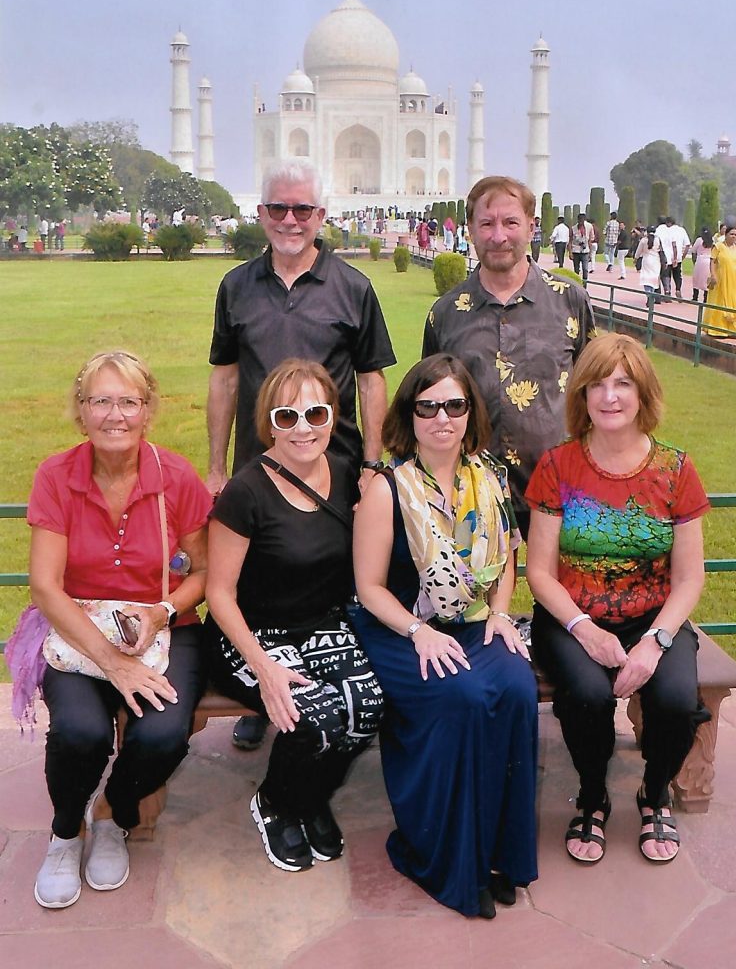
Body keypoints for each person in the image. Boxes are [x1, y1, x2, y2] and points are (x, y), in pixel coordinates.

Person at [206, 157, 395, 751]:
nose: (291, 220)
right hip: (259, 468)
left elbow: (370, 381)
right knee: (258, 579)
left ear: (322, 216)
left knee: (328, 579)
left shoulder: (351, 287)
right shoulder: (237, 286)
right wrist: (216, 465)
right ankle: (263, 688)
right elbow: (225, 380)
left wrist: (369, 461)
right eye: (279, 208)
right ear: (261, 213)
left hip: (332, 466)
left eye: (303, 209)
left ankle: (324, 683)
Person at [23, 351, 211, 908]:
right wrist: (112, 660)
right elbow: (45, 588)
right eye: (99, 401)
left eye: (128, 401)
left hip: (165, 624)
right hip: (77, 628)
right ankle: (64, 832)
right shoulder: (56, 475)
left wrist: (160, 612)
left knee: (163, 733)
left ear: (148, 409)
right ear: (80, 412)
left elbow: (203, 572)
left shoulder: (174, 475)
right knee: (82, 732)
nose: (114, 414)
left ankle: (112, 814)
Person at [353, 354, 537, 919]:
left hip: (478, 622)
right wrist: (419, 632)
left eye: (454, 405)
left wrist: (503, 613)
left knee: (517, 689)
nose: (441, 419)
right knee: (461, 696)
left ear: (469, 412)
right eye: (427, 406)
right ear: (409, 415)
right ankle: (442, 857)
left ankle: (499, 854)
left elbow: (506, 558)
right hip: (400, 628)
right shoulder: (387, 488)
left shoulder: (492, 479)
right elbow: (369, 589)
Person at [525, 333, 710, 866]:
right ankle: (591, 794)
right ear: (581, 395)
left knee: (675, 701)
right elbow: (538, 572)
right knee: (587, 695)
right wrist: (585, 629)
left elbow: (690, 578)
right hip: (571, 617)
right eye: (598, 385)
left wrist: (655, 641)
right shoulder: (558, 467)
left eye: (623, 384)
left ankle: (654, 794)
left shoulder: (675, 470)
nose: (610, 396)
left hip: (655, 619)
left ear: (642, 393)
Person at [204, 359, 382, 872]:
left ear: (333, 416)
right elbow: (219, 593)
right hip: (251, 632)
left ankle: (309, 795)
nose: (302, 427)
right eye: (286, 416)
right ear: (268, 423)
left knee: (367, 705)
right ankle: (275, 802)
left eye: (315, 413)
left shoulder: (349, 475)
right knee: (312, 715)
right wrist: (263, 667)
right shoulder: (246, 491)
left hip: (324, 623)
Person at [422, 175, 595, 540]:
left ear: (532, 227)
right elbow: (427, 406)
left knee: (559, 596)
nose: (498, 236)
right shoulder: (447, 313)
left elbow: (593, 388)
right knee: (472, 597)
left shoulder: (568, 301)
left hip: (558, 487)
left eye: (510, 223)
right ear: (470, 229)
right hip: (469, 490)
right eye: (486, 224)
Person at [703, 224, 736, 338]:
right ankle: (718, 328)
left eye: (735, 235)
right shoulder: (718, 246)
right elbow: (713, 262)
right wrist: (713, 275)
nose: (733, 237)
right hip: (722, 280)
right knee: (721, 301)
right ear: (725, 235)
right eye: (731, 234)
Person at [635, 227, 662, 305]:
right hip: (656, 261)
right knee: (653, 279)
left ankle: (648, 295)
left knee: (646, 279)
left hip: (646, 260)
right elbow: (661, 250)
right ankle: (652, 294)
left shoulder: (644, 240)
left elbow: (638, 251)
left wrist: (636, 258)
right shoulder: (658, 240)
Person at [690, 227, 713, 303]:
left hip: (700, 260)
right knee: (706, 280)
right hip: (709, 261)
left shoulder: (699, 240)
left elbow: (693, 250)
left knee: (696, 279)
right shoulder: (712, 241)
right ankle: (706, 298)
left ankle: (695, 297)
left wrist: (694, 261)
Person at [570, 213, 592, 286]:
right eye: (579, 220)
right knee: (576, 270)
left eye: (582, 221)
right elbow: (570, 241)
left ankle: (584, 285)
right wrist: (570, 252)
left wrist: (590, 253)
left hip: (585, 251)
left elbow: (590, 240)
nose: (581, 222)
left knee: (585, 269)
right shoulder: (573, 228)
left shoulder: (589, 227)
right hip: (576, 250)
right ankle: (576, 285)